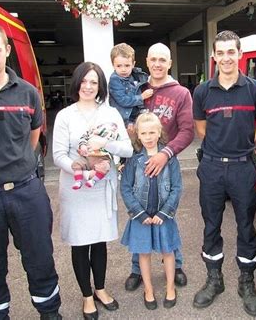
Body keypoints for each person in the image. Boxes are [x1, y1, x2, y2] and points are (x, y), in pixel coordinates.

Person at [0, 21, 62, 319]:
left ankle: (50, 312)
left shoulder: (28, 93)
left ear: (7, 50)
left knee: (40, 259)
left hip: (25, 191)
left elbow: (33, 139)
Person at [192, 30, 256, 316]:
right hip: (211, 167)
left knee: (246, 226)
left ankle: (246, 281)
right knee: (211, 225)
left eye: (231, 52)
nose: (226, 58)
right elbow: (201, 130)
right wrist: (220, 146)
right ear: (214, 56)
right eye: (220, 53)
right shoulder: (202, 92)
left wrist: (250, 150)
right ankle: (215, 279)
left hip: (242, 168)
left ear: (239, 55)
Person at [53, 62, 133, 319]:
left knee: (99, 242)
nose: (88, 87)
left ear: (100, 87)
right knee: (80, 243)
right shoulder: (65, 115)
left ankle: (100, 288)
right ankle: (86, 296)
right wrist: (78, 166)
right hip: (77, 189)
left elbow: (128, 149)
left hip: (102, 187)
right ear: (77, 83)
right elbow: (58, 155)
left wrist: (106, 143)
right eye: (84, 81)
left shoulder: (110, 113)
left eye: (94, 82)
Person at [124, 42, 194, 291]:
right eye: (153, 59)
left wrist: (165, 154)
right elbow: (121, 120)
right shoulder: (136, 90)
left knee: (167, 213)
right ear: (147, 60)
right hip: (139, 163)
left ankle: (176, 265)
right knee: (138, 215)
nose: (157, 64)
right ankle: (136, 269)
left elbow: (187, 130)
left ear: (170, 63)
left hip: (165, 165)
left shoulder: (181, 93)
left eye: (162, 59)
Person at [121, 112, 182, 310]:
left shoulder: (169, 158)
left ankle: (170, 287)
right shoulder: (133, 160)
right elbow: (126, 188)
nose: (148, 137)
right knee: (143, 253)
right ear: (138, 135)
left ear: (159, 133)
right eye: (144, 133)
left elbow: (176, 187)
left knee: (168, 251)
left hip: (164, 216)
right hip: (141, 217)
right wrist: (138, 213)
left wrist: (165, 213)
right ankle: (148, 289)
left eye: (152, 132)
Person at [108, 42, 153, 131]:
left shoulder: (137, 75)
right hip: (124, 118)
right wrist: (142, 97)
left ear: (133, 64)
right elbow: (123, 100)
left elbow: (149, 81)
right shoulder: (115, 80)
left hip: (138, 114)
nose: (123, 69)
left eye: (127, 65)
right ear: (113, 65)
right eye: (119, 66)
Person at [71, 122, 120, 189]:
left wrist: (100, 133)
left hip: (102, 157)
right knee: (77, 164)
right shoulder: (91, 131)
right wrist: (82, 145)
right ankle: (78, 181)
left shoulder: (114, 134)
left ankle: (94, 180)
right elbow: (83, 138)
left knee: (104, 167)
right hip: (88, 156)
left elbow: (115, 141)